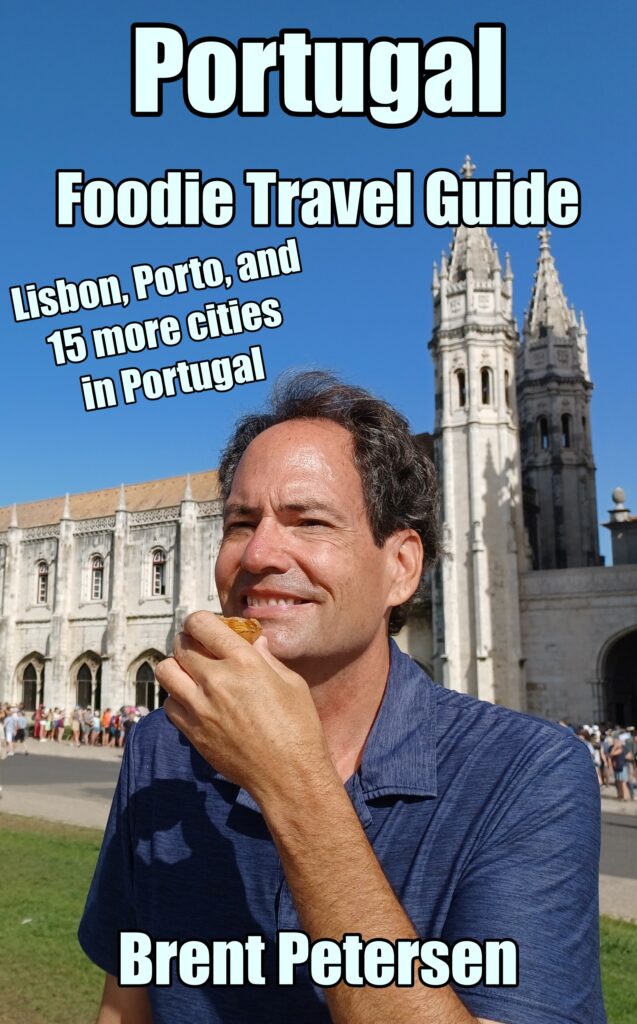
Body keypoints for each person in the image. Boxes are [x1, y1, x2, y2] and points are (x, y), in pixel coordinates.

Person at [79, 372, 605, 1024]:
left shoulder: (529, 773)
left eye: (310, 522)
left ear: (401, 566)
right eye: (240, 523)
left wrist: (292, 783)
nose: (261, 552)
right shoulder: (162, 745)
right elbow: (126, 1006)